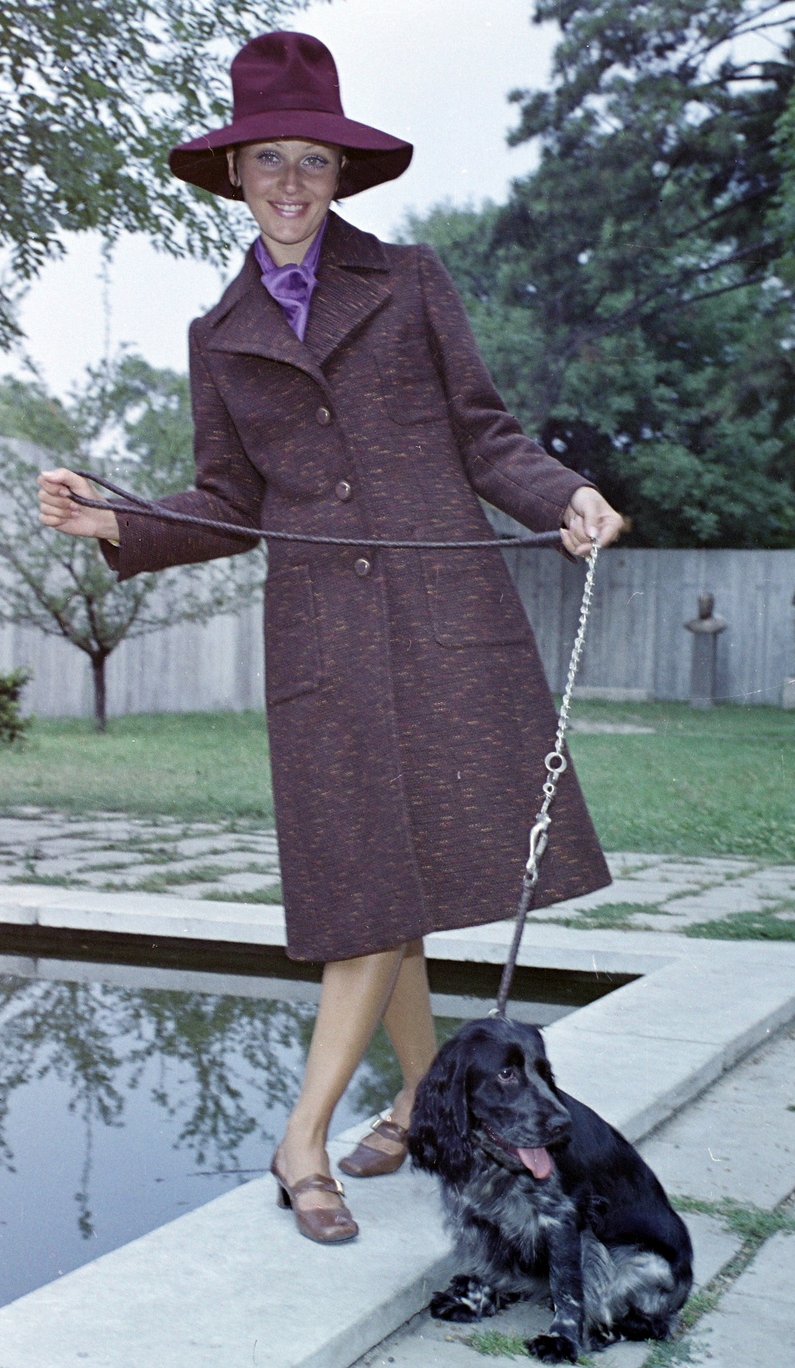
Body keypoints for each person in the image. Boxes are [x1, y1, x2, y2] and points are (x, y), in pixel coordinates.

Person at [39, 31, 622, 1245]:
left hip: (442, 630)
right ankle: (413, 1096)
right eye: (269, 162)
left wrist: (561, 495)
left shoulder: (409, 282)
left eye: (312, 162)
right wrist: (116, 519)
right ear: (237, 176)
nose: (291, 184)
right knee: (368, 882)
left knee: (383, 880)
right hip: (321, 648)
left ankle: (306, 1135)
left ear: (339, 176)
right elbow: (225, 503)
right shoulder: (217, 334)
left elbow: (485, 433)